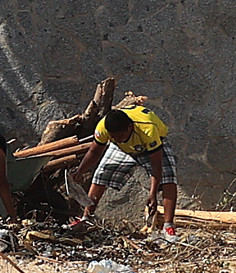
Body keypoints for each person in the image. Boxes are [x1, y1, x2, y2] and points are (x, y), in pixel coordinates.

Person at [72, 98, 178, 239]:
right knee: (100, 175)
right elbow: (94, 152)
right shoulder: (104, 128)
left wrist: (152, 194)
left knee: (168, 177)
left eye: (120, 136)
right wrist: (80, 171)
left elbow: (156, 165)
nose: (118, 138)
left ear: (129, 127)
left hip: (152, 148)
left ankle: (168, 227)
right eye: (114, 136)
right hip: (123, 150)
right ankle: (86, 218)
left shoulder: (148, 129)